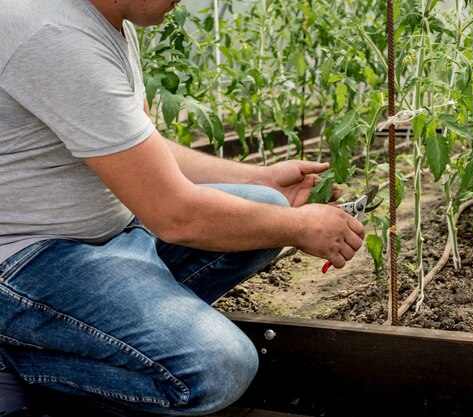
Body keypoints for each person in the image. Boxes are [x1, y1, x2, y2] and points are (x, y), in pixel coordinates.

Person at [0, 0, 365, 415]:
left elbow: (136, 147)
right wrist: (299, 227)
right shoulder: (53, 36)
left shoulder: (107, 18)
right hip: (23, 265)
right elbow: (177, 215)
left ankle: (111, 338)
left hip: (106, 240)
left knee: (263, 206)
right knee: (217, 366)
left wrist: (261, 179)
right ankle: (18, 357)